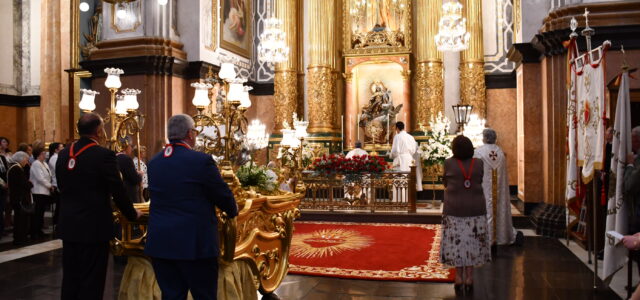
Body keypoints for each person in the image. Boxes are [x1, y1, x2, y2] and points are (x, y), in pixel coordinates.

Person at [145, 114, 239, 299]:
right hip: (195, 244)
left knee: (171, 295)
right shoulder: (200, 161)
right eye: (195, 132)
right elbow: (222, 195)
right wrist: (232, 209)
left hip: (161, 242)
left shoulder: (154, 163)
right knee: (204, 295)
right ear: (190, 134)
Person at [56, 113, 141, 300]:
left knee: (70, 276)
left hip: (69, 223)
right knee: (92, 278)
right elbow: (117, 190)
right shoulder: (103, 155)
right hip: (93, 226)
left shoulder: (63, 154)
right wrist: (131, 213)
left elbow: (62, 185)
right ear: (99, 131)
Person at [440, 135, 491, 295]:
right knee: (472, 242)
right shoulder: (479, 163)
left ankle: (458, 277)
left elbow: (445, 183)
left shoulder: (448, 163)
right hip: (475, 208)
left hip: (454, 208)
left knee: (457, 243)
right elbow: (480, 179)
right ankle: (469, 278)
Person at [474, 128, 523, 246]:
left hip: (484, 189)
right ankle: (501, 236)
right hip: (500, 190)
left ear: (485, 138)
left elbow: (474, 171)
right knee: (498, 208)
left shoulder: (479, 152)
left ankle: (485, 238)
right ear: (495, 139)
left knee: (486, 208)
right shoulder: (500, 152)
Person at [7, 151, 33, 245]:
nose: (27, 162)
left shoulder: (14, 168)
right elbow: (24, 184)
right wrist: (30, 183)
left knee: (19, 219)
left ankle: (20, 237)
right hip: (19, 198)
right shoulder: (17, 169)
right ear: (21, 159)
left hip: (16, 197)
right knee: (20, 220)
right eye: (26, 159)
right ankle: (19, 239)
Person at [389, 121, 423, 192]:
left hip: (401, 160)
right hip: (409, 160)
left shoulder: (397, 137)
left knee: (400, 180)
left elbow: (395, 151)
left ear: (397, 128)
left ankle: (400, 200)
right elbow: (414, 150)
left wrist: (391, 155)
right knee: (408, 179)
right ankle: (409, 199)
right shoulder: (410, 137)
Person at [30, 146, 53, 239]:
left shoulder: (44, 163)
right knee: (37, 213)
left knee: (41, 212)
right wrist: (50, 186)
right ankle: (34, 232)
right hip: (38, 191)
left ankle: (39, 230)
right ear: (38, 155)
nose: (45, 155)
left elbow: (49, 175)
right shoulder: (36, 164)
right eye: (43, 153)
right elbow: (40, 178)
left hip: (45, 192)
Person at [48, 142, 63, 227]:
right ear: (56, 150)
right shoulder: (54, 158)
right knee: (59, 205)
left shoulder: (58, 157)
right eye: (61, 147)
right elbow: (58, 169)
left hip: (58, 183)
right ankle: (57, 221)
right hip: (56, 183)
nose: (63, 148)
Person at [0, 137, 9, 236]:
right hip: (1, 185)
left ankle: (2, 229)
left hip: (4, 187)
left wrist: (7, 182)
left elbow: (6, 171)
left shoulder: (2, 158)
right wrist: (2, 183)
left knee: (2, 208)